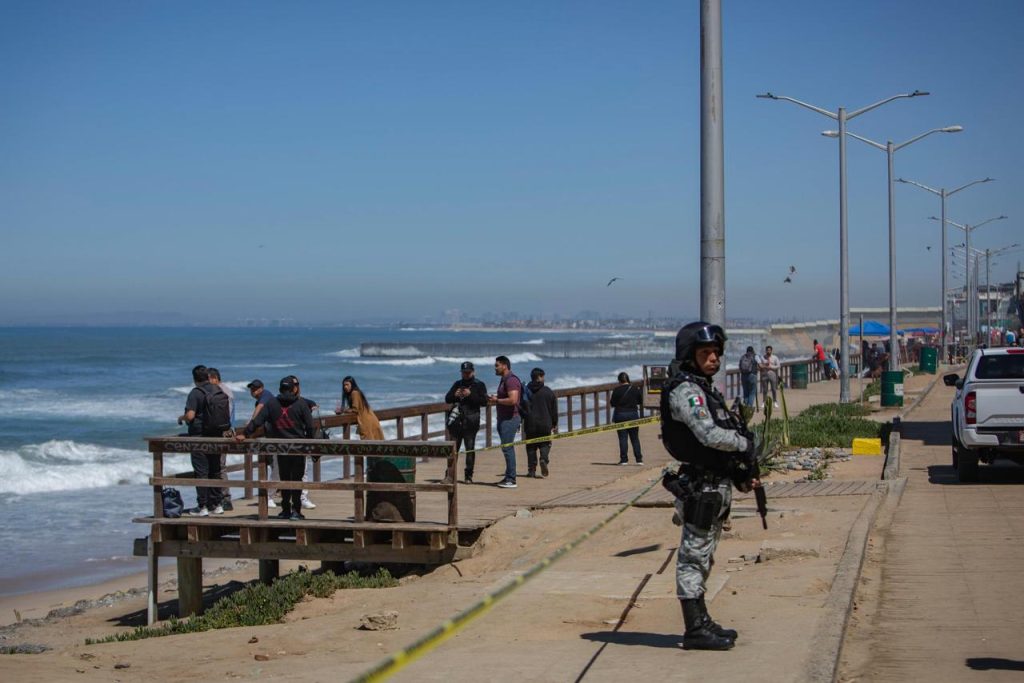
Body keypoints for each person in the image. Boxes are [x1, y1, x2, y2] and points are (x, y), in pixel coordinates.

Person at [660, 322, 759, 651]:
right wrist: (743, 443)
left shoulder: (702, 387)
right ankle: (694, 629)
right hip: (701, 488)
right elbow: (709, 435)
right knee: (692, 558)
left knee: (703, 556)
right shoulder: (686, 390)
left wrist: (742, 471)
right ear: (690, 355)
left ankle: (701, 621)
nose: (714, 358)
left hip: (714, 485)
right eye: (706, 353)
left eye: (716, 352)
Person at [236, 377, 314, 520]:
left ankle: (285, 510)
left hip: (280, 447)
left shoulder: (272, 403)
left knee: (284, 479)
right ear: (294, 389)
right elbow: (310, 426)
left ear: (280, 389)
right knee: (297, 480)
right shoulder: (301, 404)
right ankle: (296, 511)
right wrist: (310, 444)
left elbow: (258, 421)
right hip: (298, 448)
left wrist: (245, 434)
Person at [177, 365, 224, 517]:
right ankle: (217, 504)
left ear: (195, 378)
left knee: (201, 472)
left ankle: (202, 506)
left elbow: (190, 416)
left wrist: (181, 418)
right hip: (216, 435)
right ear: (208, 376)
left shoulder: (196, 393)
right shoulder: (217, 390)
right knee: (215, 470)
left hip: (199, 437)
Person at [444, 361, 489, 483]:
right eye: (464, 373)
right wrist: (455, 395)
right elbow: (447, 399)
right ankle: (449, 475)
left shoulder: (479, 385)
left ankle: (468, 476)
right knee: (453, 450)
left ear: (473, 372)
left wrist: (470, 395)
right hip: (456, 423)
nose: (466, 375)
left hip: (471, 422)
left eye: (468, 372)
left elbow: (484, 402)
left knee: (469, 448)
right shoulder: (457, 384)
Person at [488, 355, 523, 489]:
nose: (495, 368)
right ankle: (509, 475)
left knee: (507, 448)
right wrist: (496, 398)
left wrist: (497, 401)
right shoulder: (504, 380)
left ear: (504, 366)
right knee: (506, 447)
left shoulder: (511, 380)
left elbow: (513, 400)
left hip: (510, 419)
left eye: (497, 365)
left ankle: (511, 479)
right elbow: (506, 397)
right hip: (504, 418)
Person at [286, 375, 318, 510]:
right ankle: (284, 502)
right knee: (284, 473)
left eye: (297, 384)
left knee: (303, 472)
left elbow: (312, 405)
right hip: (284, 441)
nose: (295, 387)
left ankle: (302, 498)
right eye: (293, 385)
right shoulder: (280, 402)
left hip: (300, 441)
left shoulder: (302, 402)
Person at [206, 367, 234, 511]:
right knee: (219, 466)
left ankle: (223, 498)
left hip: (220, 433)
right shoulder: (227, 391)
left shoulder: (218, 393)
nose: (207, 382)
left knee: (218, 467)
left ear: (215, 379)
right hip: (228, 431)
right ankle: (220, 498)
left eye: (209, 379)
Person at [523, 367, 558, 478]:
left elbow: (521, 406)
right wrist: (554, 423)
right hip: (545, 423)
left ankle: (531, 470)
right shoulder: (548, 392)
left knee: (531, 447)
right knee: (545, 444)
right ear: (540, 377)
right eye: (543, 376)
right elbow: (554, 410)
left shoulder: (526, 391)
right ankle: (543, 459)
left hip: (530, 423)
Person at [610, 372, 644, 465]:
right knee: (635, 438)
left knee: (622, 438)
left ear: (619, 380)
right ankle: (639, 460)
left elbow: (612, 403)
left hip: (620, 415)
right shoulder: (635, 389)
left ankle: (624, 460)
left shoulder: (616, 390)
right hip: (633, 414)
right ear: (628, 379)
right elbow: (640, 401)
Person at [758, 345, 781, 410]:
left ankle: (775, 401)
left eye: (769, 350)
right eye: (767, 350)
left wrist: (771, 367)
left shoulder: (775, 357)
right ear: (766, 351)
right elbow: (759, 366)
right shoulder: (763, 357)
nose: (768, 351)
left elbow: (778, 366)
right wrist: (763, 366)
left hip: (772, 375)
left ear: (771, 350)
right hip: (764, 375)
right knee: (765, 390)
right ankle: (763, 402)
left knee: (773, 389)